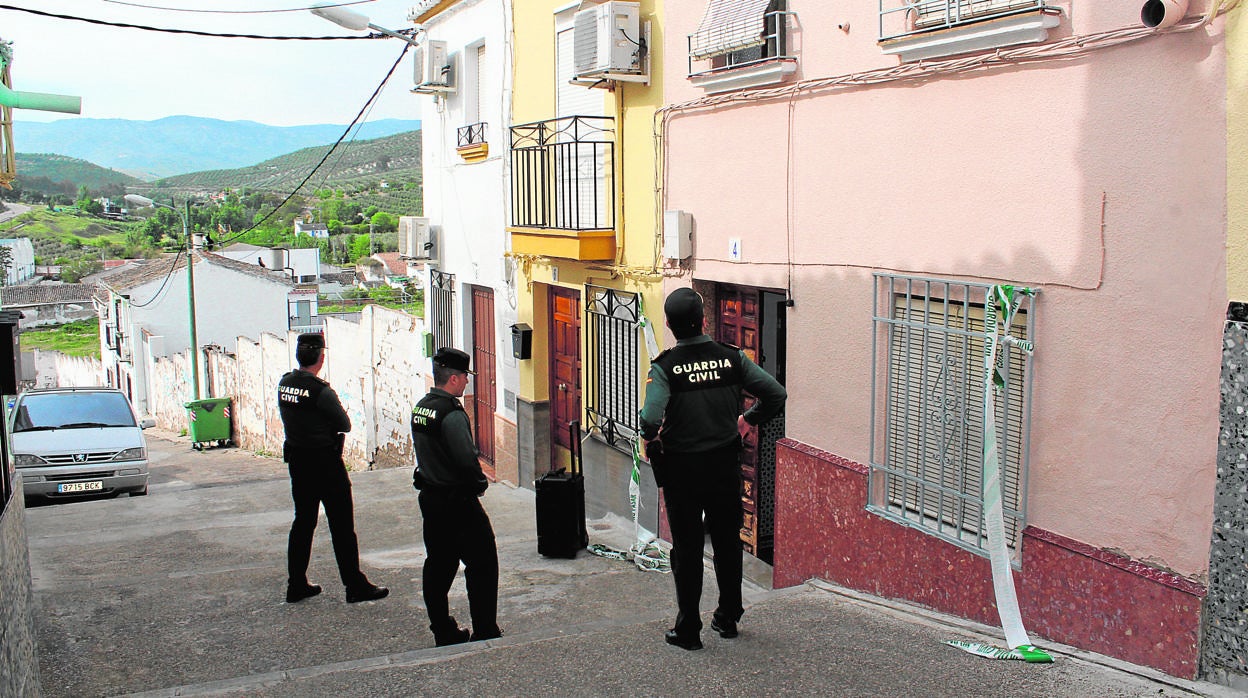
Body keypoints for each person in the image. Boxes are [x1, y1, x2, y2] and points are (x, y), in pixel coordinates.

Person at [639, 288, 787, 651]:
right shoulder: (731, 358)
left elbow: (649, 418)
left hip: (682, 473)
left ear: (671, 326)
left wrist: (652, 435)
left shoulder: (665, 366)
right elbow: (775, 394)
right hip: (724, 466)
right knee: (726, 541)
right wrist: (746, 420)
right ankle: (728, 617)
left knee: (687, 549)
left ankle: (688, 629)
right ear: (704, 321)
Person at [277, 332, 389, 604]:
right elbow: (345, 424)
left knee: (303, 522)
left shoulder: (285, 384)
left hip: (299, 462)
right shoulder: (320, 391)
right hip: (325, 464)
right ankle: (354, 585)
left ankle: (296, 583)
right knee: (342, 527)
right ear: (321, 357)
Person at [410, 347, 502, 646]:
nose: (467, 383)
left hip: (431, 498)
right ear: (453, 378)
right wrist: (479, 484)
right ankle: (485, 628)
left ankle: (442, 629)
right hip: (457, 501)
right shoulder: (451, 414)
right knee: (483, 563)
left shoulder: (422, 407)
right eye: (465, 377)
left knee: (438, 564)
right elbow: (466, 459)